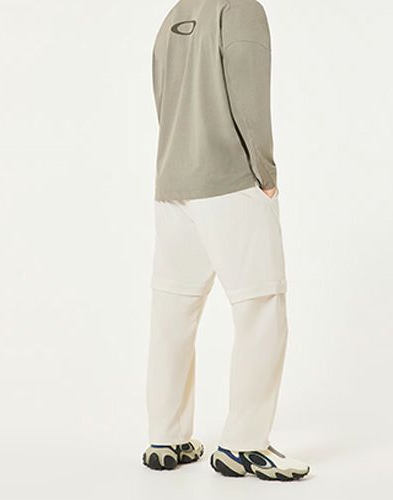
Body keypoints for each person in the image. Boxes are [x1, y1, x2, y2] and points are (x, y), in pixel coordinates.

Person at [142, 0, 310, 481]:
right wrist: (265, 171)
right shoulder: (240, 9)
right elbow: (250, 97)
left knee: (173, 312)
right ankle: (246, 444)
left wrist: (180, 157)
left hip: (173, 184)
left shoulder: (174, 15)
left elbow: (163, 98)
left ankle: (167, 436)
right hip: (230, 183)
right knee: (261, 307)